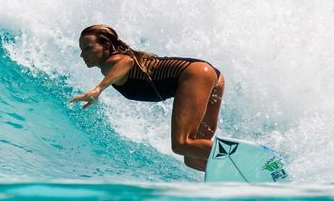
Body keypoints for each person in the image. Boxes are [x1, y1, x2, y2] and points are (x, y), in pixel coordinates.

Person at [69, 24, 225, 172]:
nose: (82, 54)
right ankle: (235, 171)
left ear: (107, 47)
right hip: (211, 75)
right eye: (81, 50)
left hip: (194, 74)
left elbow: (127, 62)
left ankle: (234, 156)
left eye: (88, 48)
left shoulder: (113, 61)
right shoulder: (115, 63)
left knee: (182, 143)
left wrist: (98, 89)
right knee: (193, 158)